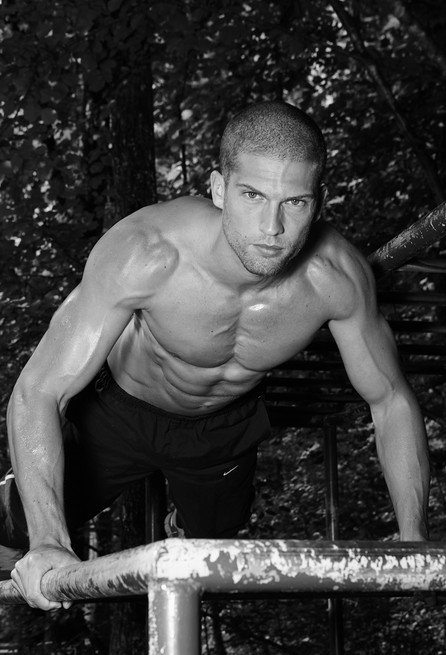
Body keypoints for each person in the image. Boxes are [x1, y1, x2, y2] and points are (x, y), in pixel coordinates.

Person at [0, 101, 430, 611]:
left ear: (317, 202)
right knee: (17, 527)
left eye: (295, 202)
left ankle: (187, 523)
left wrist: (413, 539)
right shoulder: (148, 251)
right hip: (117, 416)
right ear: (220, 189)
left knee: (212, 549)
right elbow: (40, 389)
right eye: (253, 195)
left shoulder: (336, 280)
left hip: (223, 429)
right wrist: (49, 541)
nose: (272, 227)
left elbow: (390, 401)